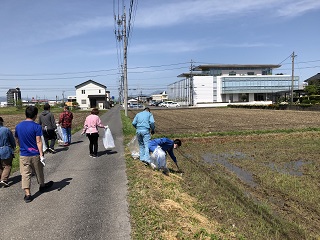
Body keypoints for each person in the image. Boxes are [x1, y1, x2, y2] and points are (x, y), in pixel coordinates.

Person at [15, 106, 53, 203]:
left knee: (25, 174)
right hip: (35, 153)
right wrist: (41, 155)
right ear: (35, 115)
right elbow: (38, 141)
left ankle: (28, 194)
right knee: (39, 171)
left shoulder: (18, 126)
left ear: (26, 114)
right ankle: (42, 185)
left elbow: (17, 140)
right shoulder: (36, 126)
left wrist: (22, 147)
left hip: (24, 154)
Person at [0, 117, 16, 188]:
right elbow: (12, 140)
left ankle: (1, 178)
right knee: (7, 165)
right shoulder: (6, 130)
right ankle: (3, 179)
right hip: (5, 149)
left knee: (0, 166)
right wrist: (14, 146)